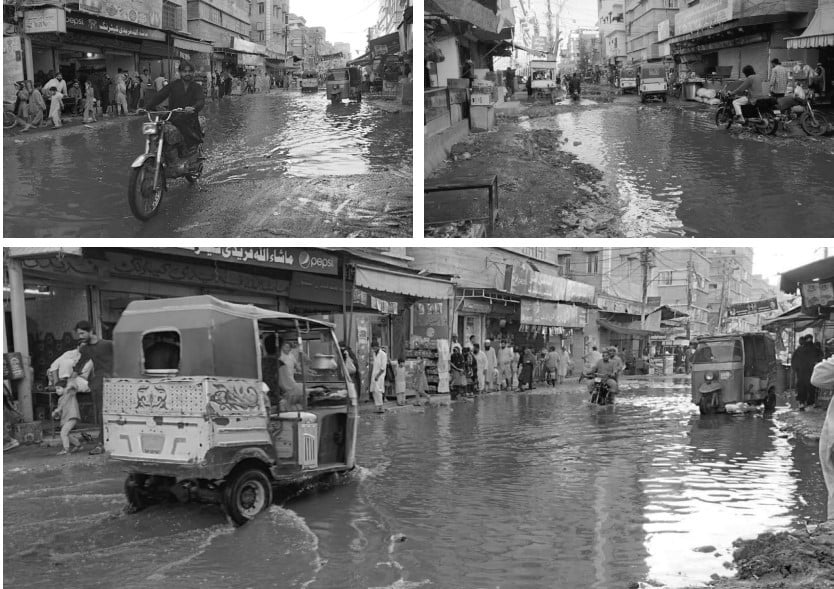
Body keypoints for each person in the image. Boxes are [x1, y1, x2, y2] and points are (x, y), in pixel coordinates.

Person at [144, 60, 205, 158]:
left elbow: (200, 101)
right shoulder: (173, 85)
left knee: (184, 129)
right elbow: (160, 95)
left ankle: (188, 152)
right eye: (184, 71)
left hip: (189, 119)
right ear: (180, 73)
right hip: (173, 117)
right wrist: (147, 107)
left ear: (193, 73)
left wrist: (193, 108)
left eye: (189, 71)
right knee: (160, 126)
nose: (187, 74)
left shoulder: (197, 87)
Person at [72, 320, 113, 455]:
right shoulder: (85, 348)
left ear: (91, 331)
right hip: (100, 384)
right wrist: (69, 381)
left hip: (116, 382)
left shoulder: (108, 344)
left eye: (82, 333)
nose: (80, 337)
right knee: (102, 414)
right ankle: (101, 443)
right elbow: (79, 365)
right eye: (79, 334)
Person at [792, 335, 822, 410]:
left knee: (801, 388)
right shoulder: (816, 349)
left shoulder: (799, 350)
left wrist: (796, 370)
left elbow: (794, 362)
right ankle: (810, 404)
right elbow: (821, 361)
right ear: (812, 339)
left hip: (801, 374)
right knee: (812, 388)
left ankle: (802, 403)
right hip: (812, 374)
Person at [370, 340, 387, 413]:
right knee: (374, 391)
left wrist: (377, 375)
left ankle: (381, 407)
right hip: (374, 374)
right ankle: (377, 407)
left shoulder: (383, 354)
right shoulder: (374, 354)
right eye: (373, 348)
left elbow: (383, 367)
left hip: (380, 375)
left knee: (378, 391)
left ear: (377, 347)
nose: (374, 349)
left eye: (374, 347)